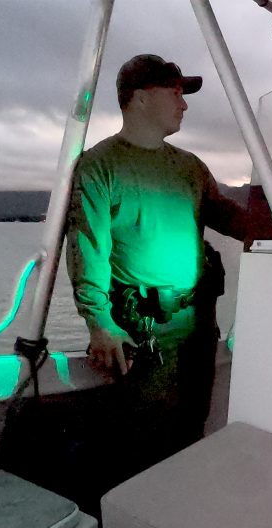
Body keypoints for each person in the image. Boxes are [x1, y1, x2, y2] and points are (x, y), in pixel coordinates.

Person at [63, 54, 247, 494]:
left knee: (192, 427)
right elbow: (88, 250)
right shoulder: (99, 166)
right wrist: (100, 323)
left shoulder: (189, 167)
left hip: (198, 324)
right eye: (176, 93)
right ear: (142, 98)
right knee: (143, 439)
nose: (184, 105)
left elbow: (235, 221)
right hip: (144, 331)